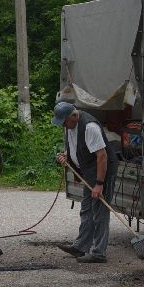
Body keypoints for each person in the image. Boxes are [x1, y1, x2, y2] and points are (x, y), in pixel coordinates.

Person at [54, 100, 113, 264]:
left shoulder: (90, 127)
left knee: (99, 212)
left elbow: (102, 156)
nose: (64, 126)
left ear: (73, 115)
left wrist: (100, 183)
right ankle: (80, 246)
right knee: (86, 209)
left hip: (102, 171)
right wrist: (66, 155)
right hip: (88, 171)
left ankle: (98, 253)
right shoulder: (69, 126)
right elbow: (75, 146)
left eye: (65, 122)